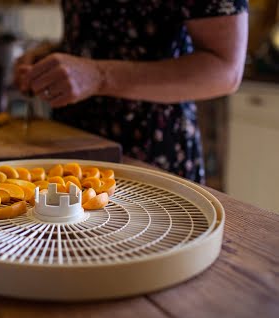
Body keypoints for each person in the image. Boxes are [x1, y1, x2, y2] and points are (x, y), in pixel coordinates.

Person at [14, 0, 248, 183]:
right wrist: (51, 60)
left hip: (151, 151)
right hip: (71, 144)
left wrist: (99, 75)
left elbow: (225, 71)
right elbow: (99, 36)